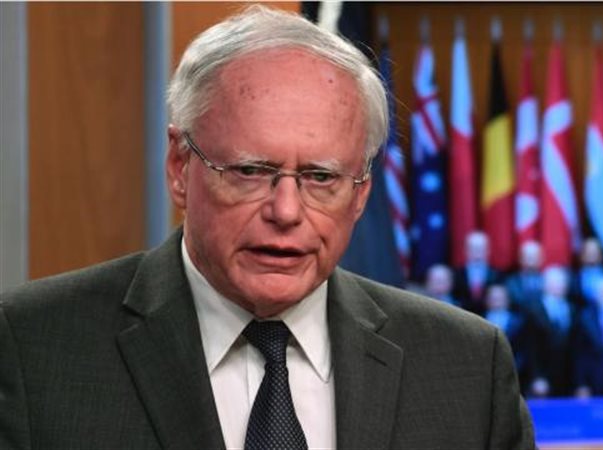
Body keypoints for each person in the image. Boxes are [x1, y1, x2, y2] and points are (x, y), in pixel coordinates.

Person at [0, 7, 534, 450]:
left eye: (321, 177)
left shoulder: (467, 366)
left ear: (361, 193)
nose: (286, 210)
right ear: (180, 167)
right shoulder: (31, 348)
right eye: (251, 171)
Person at [527, 266, 576, 398]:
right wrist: (537, 377)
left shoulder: (571, 309)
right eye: (556, 282)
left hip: (567, 379)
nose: (561, 286)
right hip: (543, 379)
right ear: (546, 285)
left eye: (563, 282)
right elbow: (531, 348)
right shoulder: (534, 310)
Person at [452, 230, 503, 315]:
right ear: (466, 250)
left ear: (488, 250)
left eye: (480, 249)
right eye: (474, 248)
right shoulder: (456, 274)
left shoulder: (496, 274)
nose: (477, 252)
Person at [505, 240, 545, 316]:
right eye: (528, 257)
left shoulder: (547, 281)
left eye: (534, 257)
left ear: (541, 259)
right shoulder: (512, 282)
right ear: (520, 259)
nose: (531, 261)